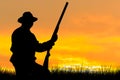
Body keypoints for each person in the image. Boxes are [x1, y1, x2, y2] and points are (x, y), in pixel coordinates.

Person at [10, 11, 57, 80]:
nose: (31, 23)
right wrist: (51, 42)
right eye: (30, 21)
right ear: (25, 22)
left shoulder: (18, 32)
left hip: (20, 60)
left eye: (31, 21)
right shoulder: (27, 34)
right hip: (24, 62)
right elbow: (38, 48)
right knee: (44, 73)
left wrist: (50, 42)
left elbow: (37, 47)